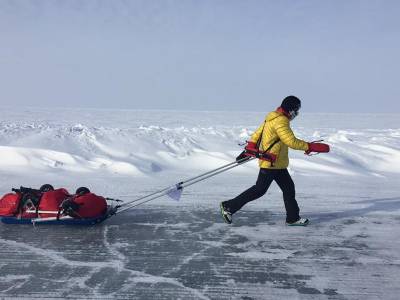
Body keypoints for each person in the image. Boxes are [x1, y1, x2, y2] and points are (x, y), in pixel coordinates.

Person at [220, 96, 330, 226]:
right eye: (296, 110)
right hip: (270, 162)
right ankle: (229, 206)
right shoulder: (281, 121)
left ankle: (292, 218)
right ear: (290, 109)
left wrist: (249, 147)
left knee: (288, 189)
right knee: (259, 190)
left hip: (277, 163)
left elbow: (256, 134)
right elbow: (290, 141)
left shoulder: (272, 117)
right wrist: (310, 147)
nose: (297, 113)